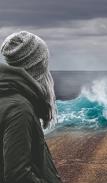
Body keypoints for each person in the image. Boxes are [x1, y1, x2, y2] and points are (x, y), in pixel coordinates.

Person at [0, 31, 62, 183]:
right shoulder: (19, 109)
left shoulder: (7, 97)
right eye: (45, 64)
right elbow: (18, 177)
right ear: (37, 67)